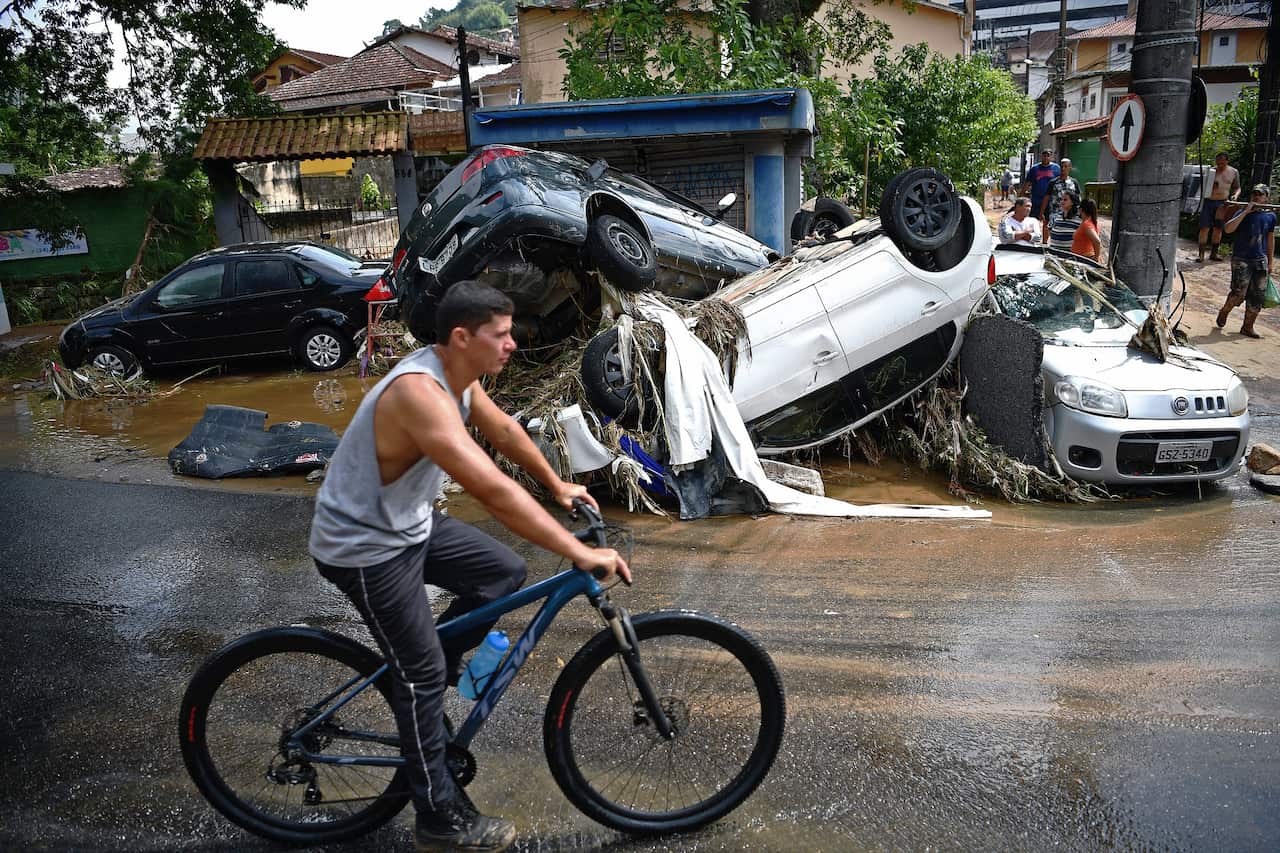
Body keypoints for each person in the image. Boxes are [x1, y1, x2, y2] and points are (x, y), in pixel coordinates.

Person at [309, 281, 630, 852]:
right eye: (501, 335)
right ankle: (438, 818)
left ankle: (428, 679)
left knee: (501, 575)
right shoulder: (419, 395)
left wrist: (557, 484)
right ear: (462, 337)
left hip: (407, 524)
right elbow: (492, 489)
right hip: (363, 547)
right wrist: (578, 551)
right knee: (423, 673)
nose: (512, 345)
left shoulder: (458, 376)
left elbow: (503, 431)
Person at [1217, 183, 1275, 339]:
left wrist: (1270, 262)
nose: (1257, 196)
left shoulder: (1271, 216)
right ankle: (1225, 311)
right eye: (1254, 194)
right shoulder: (1242, 211)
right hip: (1241, 259)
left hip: (1260, 259)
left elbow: (1270, 239)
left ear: (1266, 198)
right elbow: (1228, 229)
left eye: (1260, 194)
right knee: (1238, 293)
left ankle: (1247, 327)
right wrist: (1246, 211)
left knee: (1257, 296)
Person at [1199, 152, 1242, 262]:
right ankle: (1201, 254)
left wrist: (1235, 195)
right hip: (1209, 201)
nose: (1220, 166)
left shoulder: (1233, 172)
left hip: (1223, 203)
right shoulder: (1211, 172)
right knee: (1204, 228)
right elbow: (1201, 186)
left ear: (1227, 161)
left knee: (1218, 229)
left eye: (1222, 163)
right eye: (1218, 163)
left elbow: (1237, 187)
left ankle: (1214, 253)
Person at [1023, 149, 1060, 230]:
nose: (1046, 157)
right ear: (1041, 156)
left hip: (1050, 201)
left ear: (1051, 157)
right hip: (1036, 200)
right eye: (1044, 155)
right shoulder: (1034, 169)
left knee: (1047, 222)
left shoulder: (1056, 168)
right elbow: (1027, 183)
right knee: (1032, 221)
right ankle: (1030, 238)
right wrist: (1021, 195)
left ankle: (1044, 242)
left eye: (1048, 155)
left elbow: (1060, 183)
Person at [1046, 158, 1081, 224]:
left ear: (1070, 167)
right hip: (1055, 213)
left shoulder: (1074, 182)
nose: (1063, 168)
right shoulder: (1053, 182)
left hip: (1070, 213)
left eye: (1065, 166)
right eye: (1061, 166)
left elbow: (1078, 197)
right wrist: (1042, 212)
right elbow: (1046, 197)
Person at [1072, 197, 1103, 262]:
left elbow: (1097, 241)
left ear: (1081, 210)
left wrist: (1096, 257)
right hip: (1084, 258)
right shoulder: (1093, 222)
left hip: (1084, 259)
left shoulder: (1087, 224)